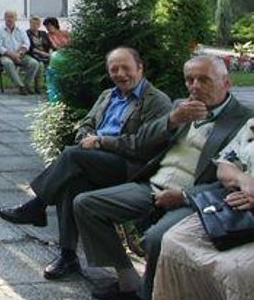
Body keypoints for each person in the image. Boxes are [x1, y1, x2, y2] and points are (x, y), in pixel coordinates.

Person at [74, 55, 254, 300]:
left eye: (204, 80)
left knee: (157, 239)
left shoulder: (243, 119)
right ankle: (128, 281)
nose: (195, 86)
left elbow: (231, 177)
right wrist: (172, 119)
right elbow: (143, 142)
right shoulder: (181, 105)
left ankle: (149, 295)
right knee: (86, 204)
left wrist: (184, 195)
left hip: (194, 197)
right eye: (189, 80)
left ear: (226, 83)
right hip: (153, 185)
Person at [0, 47, 173, 280]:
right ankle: (68, 256)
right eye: (114, 69)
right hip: (96, 160)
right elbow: (85, 124)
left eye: (126, 68)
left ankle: (37, 206)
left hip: (131, 167)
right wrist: (87, 139)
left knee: (72, 156)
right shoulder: (107, 96)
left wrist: (101, 142)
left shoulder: (156, 101)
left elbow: (144, 144)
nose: (120, 74)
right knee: (72, 182)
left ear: (140, 68)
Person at [153, 117, 254, 300]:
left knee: (237, 270)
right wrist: (243, 179)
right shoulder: (252, 125)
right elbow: (225, 165)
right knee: (174, 240)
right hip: (241, 207)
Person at [0, 10, 41, 95]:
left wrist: (20, 54)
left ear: (16, 18)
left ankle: (26, 85)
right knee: (8, 63)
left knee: (34, 63)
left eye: (12, 17)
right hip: (6, 55)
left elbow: (27, 43)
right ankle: (20, 86)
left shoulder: (21, 30)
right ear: (4, 18)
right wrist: (13, 56)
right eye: (8, 17)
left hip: (20, 54)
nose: (10, 19)